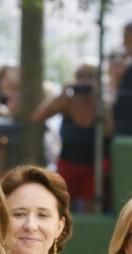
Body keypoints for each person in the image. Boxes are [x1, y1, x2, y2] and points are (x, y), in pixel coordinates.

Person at [31, 64, 113, 213]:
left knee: (91, 209)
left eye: (89, 76)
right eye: (80, 76)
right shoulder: (66, 103)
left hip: (93, 167)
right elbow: (37, 117)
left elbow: (108, 132)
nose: (84, 81)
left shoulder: (102, 104)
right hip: (67, 164)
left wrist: (98, 100)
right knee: (63, 207)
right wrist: (62, 94)